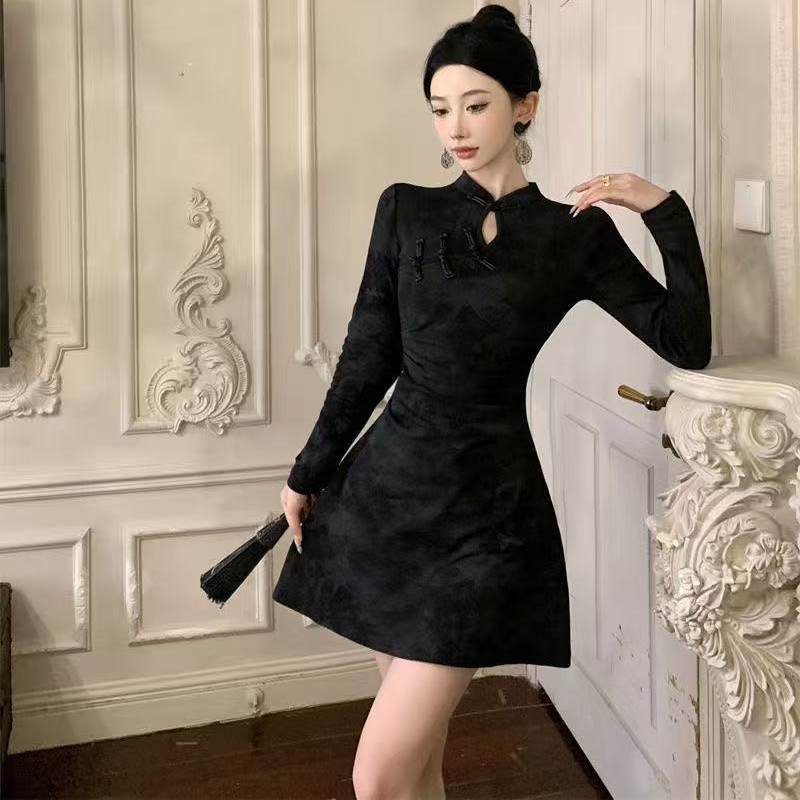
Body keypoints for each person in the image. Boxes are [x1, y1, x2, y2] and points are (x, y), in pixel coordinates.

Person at [274, 5, 712, 798]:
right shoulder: (404, 209)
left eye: (476, 105)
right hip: (386, 504)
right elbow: (368, 356)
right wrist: (307, 473)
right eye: (440, 108)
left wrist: (663, 213)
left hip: (488, 521)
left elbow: (685, 340)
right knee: (416, 767)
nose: (456, 128)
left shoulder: (570, 234)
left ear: (524, 105)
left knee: (377, 776)